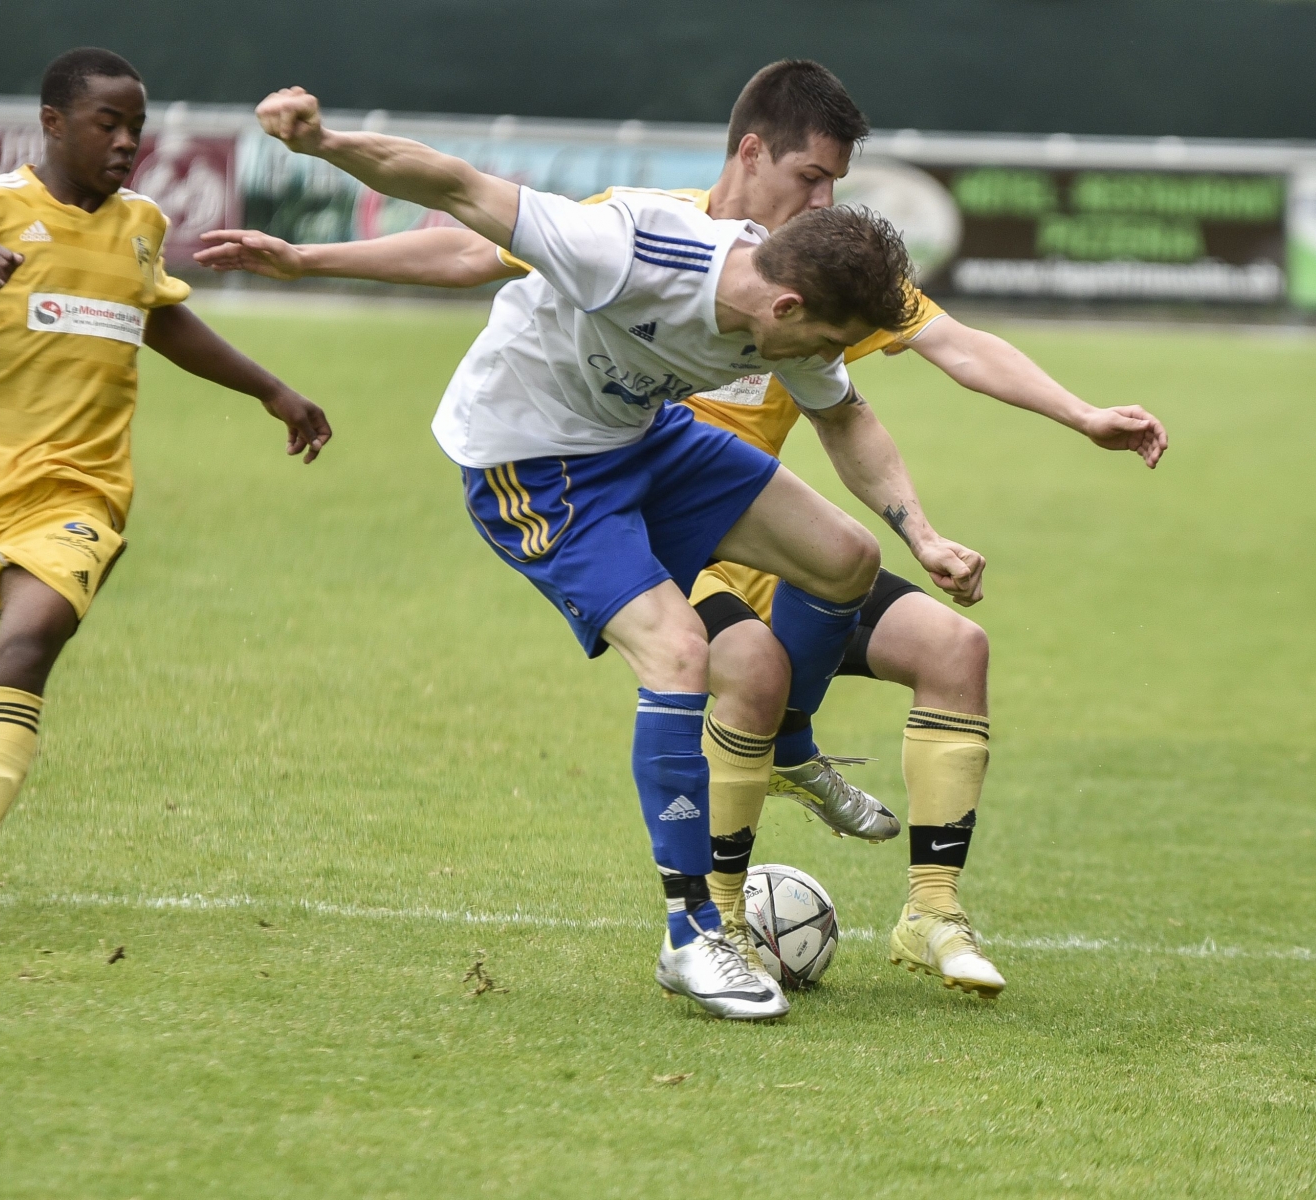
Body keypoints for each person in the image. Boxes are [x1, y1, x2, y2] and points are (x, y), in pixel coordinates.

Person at [201, 61, 1166, 998]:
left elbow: (847, 412)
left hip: (643, 439)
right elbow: (457, 195)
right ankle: (693, 933)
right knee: (682, 656)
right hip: (533, 460)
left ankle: (799, 760)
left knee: (845, 559)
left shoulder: (809, 277)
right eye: (812, 175)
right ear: (754, 156)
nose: (824, 195)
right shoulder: (627, 243)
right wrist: (322, 151)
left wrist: (926, 525)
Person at [0, 48, 331, 946]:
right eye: (107, 125)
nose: (127, 144)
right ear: (52, 122)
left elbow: (158, 315)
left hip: (79, 488)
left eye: (137, 129)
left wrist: (270, 389)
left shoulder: (142, 225)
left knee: (32, 637)